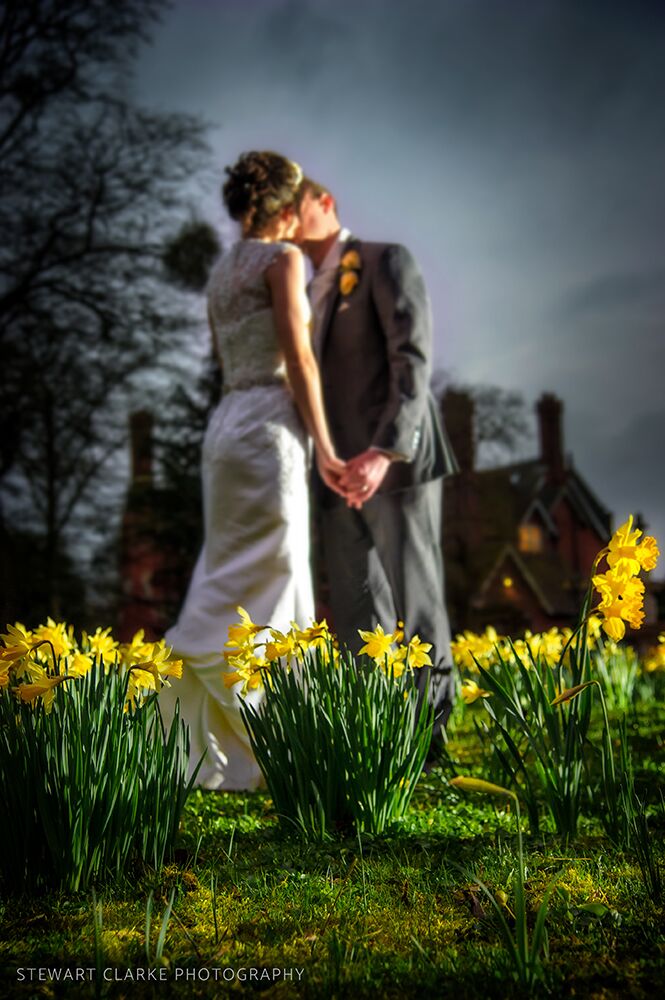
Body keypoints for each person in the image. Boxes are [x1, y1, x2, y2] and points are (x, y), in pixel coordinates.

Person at [159, 152, 345, 791]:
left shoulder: (219, 274)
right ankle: (267, 745)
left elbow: (224, 354)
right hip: (269, 428)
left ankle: (223, 749)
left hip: (226, 427)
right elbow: (298, 358)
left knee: (229, 568)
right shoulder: (284, 260)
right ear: (287, 210)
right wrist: (326, 444)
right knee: (278, 569)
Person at [295, 177, 458, 750]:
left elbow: (411, 356)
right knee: (355, 606)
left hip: (397, 463)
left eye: (298, 205)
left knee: (415, 598)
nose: (288, 218)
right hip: (334, 473)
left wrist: (385, 449)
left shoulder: (385, 260)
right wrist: (326, 461)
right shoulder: (295, 286)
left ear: (326, 203)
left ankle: (430, 737)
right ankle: (376, 737)